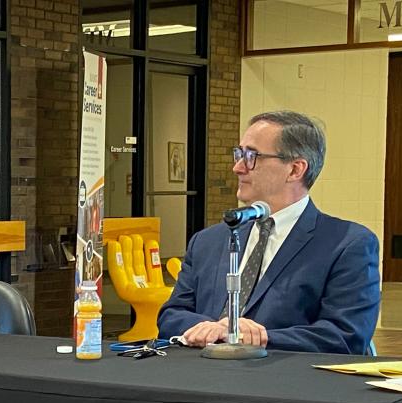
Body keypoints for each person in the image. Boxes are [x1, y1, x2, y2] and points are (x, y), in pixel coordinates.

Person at [158, 111, 380, 354]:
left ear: (295, 170)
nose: (238, 167)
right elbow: (172, 315)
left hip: (286, 383)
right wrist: (213, 330)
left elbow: (345, 336)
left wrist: (255, 339)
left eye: (251, 156)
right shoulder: (208, 241)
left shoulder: (347, 244)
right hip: (198, 378)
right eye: (239, 154)